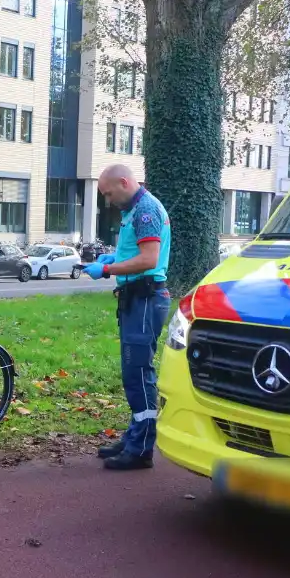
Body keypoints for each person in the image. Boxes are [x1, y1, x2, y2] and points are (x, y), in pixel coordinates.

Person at [81, 164, 172, 471]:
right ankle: (135, 437)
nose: (108, 200)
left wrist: (107, 269)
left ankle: (141, 448)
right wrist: (115, 258)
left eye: (108, 193)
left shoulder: (145, 209)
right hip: (138, 299)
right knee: (133, 373)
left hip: (145, 299)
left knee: (139, 373)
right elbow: (137, 252)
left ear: (124, 182)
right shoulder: (135, 210)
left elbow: (149, 258)